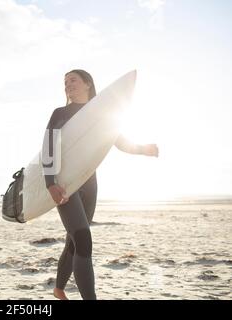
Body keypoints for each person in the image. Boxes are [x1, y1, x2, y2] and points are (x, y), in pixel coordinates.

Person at [42, 69, 159, 300]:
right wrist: (50, 182)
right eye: (65, 82)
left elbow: (120, 141)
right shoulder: (60, 113)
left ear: (87, 84)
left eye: (72, 80)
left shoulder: (102, 113)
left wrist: (144, 149)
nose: (67, 85)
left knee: (75, 242)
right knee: (84, 240)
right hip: (65, 183)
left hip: (90, 182)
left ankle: (58, 289)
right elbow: (49, 146)